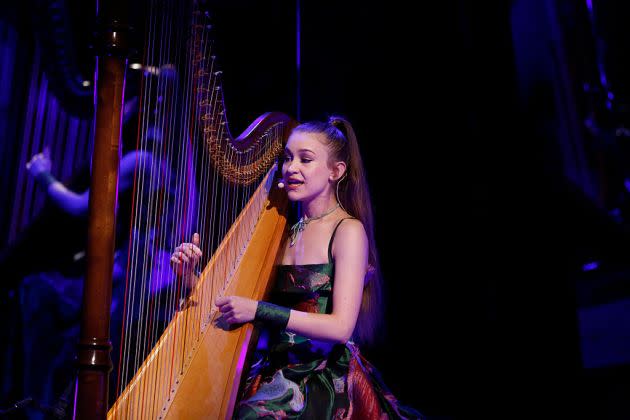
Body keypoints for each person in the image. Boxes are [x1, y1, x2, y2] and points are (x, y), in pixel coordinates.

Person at [171, 116, 423, 419]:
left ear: (336, 171)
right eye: (287, 158)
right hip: (273, 371)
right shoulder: (281, 227)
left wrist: (259, 310)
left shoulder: (347, 230)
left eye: (305, 159)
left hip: (322, 373)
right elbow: (236, 305)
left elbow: (341, 327)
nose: (291, 168)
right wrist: (190, 277)